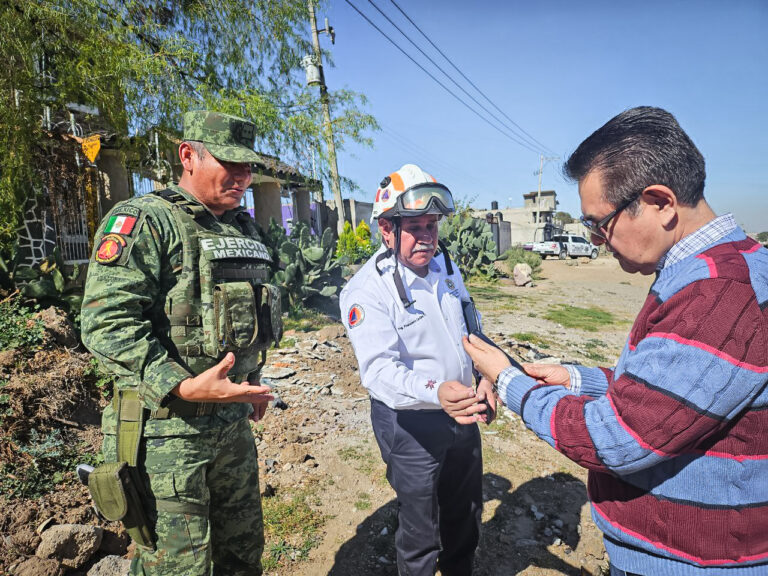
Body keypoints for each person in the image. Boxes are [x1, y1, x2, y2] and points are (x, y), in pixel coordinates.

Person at [461, 106, 768, 576]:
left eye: (600, 223)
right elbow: (674, 393)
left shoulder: (720, 294)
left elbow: (619, 438)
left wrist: (509, 383)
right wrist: (578, 380)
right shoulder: (711, 272)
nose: (599, 240)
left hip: (691, 564)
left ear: (660, 202)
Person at [81, 110, 282, 575]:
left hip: (231, 426)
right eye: (229, 163)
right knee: (178, 568)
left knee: (242, 555)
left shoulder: (239, 227)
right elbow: (105, 322)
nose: (243, 177)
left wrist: (251, 380)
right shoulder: (146, 220)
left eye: (249, 167)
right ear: (188, 156)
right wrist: (181, 385)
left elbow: (245, 313)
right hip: (167, 434)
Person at [339, 164, 494, 576]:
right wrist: (436, 390)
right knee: (421, 530)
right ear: (386, 230)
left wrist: (485, 375)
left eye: (432, 224)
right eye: (415, 227)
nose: (427, 236)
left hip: (462, 411)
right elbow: (379, 372)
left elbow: (468, 323)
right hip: (410, 423)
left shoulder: (444, 265)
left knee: (465, 514)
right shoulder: (365, 290)